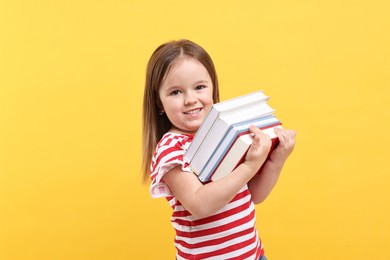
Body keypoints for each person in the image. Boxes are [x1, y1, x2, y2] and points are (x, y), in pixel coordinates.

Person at [142, 39, 296, 260]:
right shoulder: (171, 148)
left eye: (199, 87)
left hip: (253, 255)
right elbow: (200, 204)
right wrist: (250, 165)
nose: (190, 99)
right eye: (176, 92)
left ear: (213, 86)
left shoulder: (226, 131)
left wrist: (275, 161)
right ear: (159, 102)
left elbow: (253, 195)